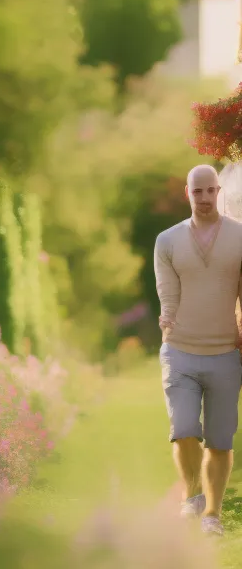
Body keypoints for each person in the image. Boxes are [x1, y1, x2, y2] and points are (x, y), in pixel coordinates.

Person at [154, 164, 242, 536]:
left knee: (220, 441)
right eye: (197, 192)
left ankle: (212, 516)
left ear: (218, 191)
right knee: (185, 428)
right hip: (181, 351)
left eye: (211, 191)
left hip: (225, 354)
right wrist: (168, 317)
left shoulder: (240, 236)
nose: (205, 199)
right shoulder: (168, 240)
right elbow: (167, 291)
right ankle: (191, 495)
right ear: (188, 194)